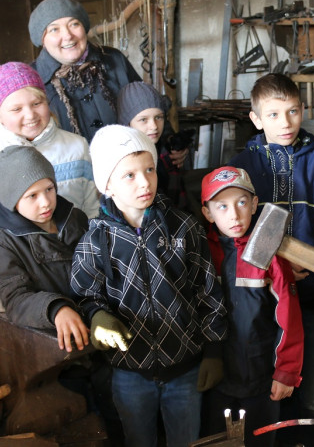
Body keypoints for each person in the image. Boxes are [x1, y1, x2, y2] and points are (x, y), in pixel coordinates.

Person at [70, 125, 227, 447]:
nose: (145, 182)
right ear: (107, 185)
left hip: (185, 369)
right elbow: (85, 295)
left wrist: (213, 351)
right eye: (129, 175)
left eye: (150, 169)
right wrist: (97, 317)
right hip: (129, 374)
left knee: (186, 440)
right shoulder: (95, 240)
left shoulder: (184, 228)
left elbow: (208, 293)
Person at [229, 73, 314, 447]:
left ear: (303, 110)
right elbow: (232, 233)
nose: (285, 123)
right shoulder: (241, 168)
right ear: (255, 119)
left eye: (293, 111)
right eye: (273, 115)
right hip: (259, 302)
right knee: (264, 391)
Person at [0, 62, 99, 308]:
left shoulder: (77, 147)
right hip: (18, 287)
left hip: (79, 280)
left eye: (36, 103)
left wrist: (92, 273)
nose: (30, 115)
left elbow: (93, 214)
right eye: (16, 108)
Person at [199, 166, 303, 447]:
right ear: (207, 213)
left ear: (255, 204)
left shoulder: (268, 254)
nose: (234, 215)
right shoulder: (201, 253)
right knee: (216, 441)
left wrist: (286, 373)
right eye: (222, 206)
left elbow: (289, 319)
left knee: (260, 441)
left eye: (242, 203)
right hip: (216, 379)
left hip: (261, 379)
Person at [0, 145, 89, 352]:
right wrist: (56, 309)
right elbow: (16, 299)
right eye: (32, 196)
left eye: (49, 189)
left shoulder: (76, 218)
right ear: (12, 201)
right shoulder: (4, 243)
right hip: (53, 336)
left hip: (94, 316)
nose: (45, 203)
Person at [28, 0, 142, 142]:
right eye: (54, 29)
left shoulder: (114, 59)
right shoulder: (31, 79)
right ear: (42, 40)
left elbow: (146, 107)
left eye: (74, 24)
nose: (68, 35)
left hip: (126, 161)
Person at [116, 81, 188, 204]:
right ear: (127, 123)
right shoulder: (122, 162)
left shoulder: (165, 153)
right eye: (143, 119)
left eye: (158, 117)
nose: (154, 126)